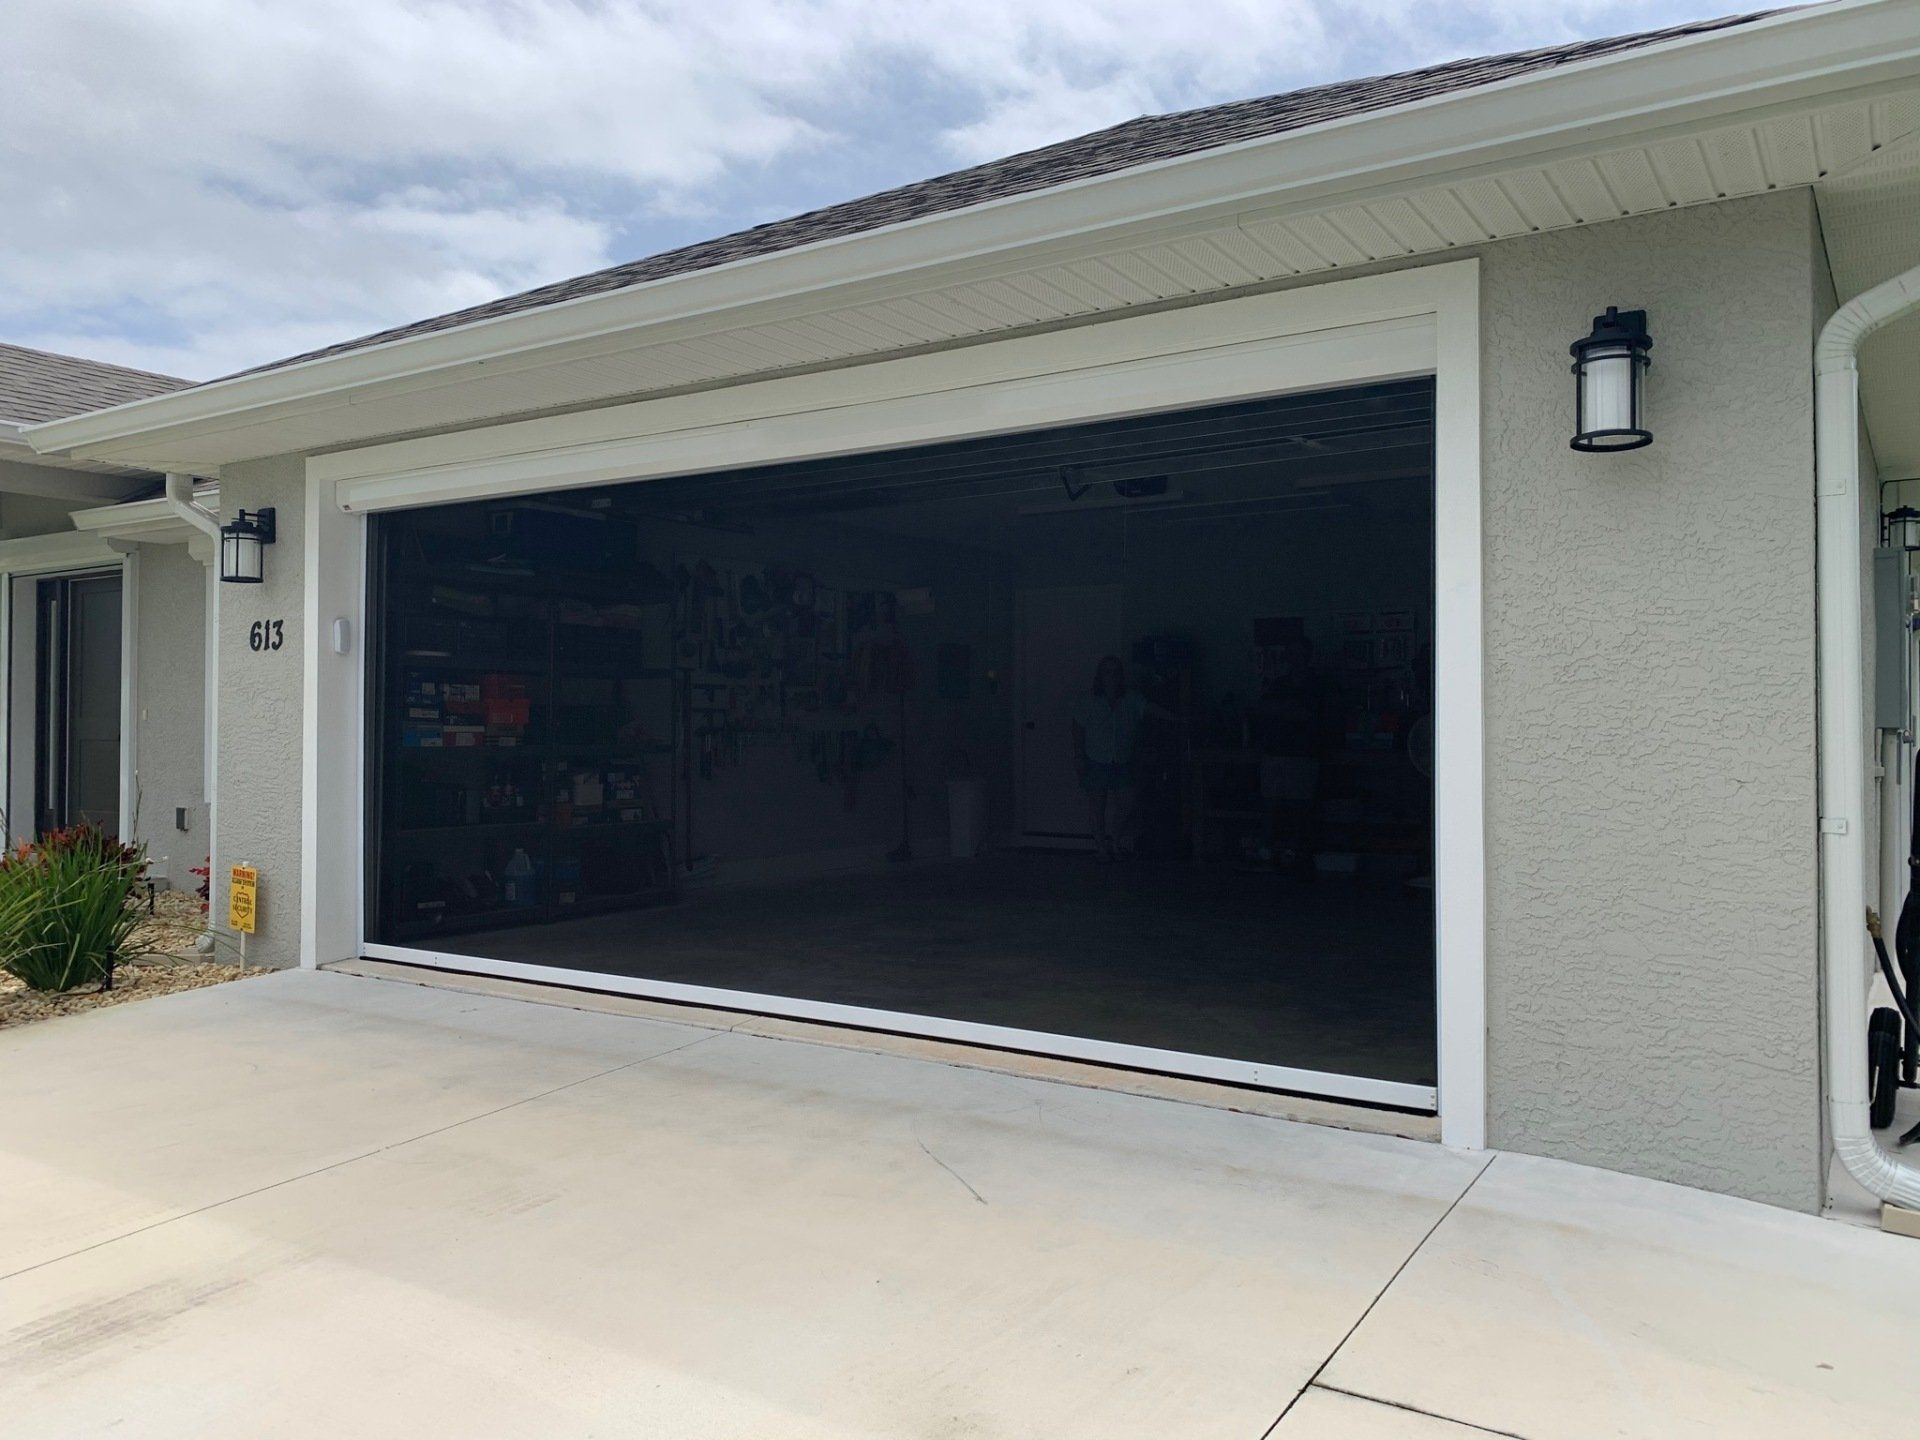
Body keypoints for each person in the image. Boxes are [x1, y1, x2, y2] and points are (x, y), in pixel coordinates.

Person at [1071, 654, 1174, 860]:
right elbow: (1078, 728)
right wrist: (1080, 756)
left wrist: (1176, 718)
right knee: (1097, 806)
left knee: (1129, 802)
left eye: (1115, 672)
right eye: (1107, 672)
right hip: (1096, 758)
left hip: (1122, 759)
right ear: (1100, 676)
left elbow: (1151, 709)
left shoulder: (1131, 698)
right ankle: (1102, 848)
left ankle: (1115, 840)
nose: (1111, 676)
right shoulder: (1089, 700)